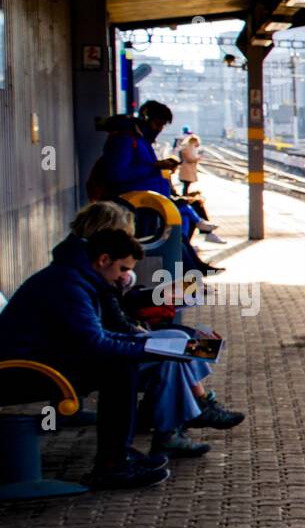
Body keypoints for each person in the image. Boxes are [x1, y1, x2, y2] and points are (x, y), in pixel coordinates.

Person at [69, 202, 244, 457]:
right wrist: (147, 341)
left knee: (184, 343)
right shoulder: (83, 274)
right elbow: (109, 325)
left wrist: (161, 298)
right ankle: (188, 414)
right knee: (175, 349)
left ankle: (190, 410)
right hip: (81, 358)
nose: (130, 241)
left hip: (105, 340)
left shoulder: (85, 265)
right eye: (125, 237)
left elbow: (117, 311)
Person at [0, 228, 166, 489]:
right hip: (19, 373)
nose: (125, 277)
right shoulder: (68, 285)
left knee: (121, 365)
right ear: (103, 260)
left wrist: (148, 343)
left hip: (37, 363)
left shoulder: (75, 278)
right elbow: (94, 344)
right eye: (122, 269)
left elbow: (96, 335)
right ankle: (112, 465)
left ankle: (117, 455)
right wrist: (152, 349)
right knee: (118, 370)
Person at [94, 101, 223, 274]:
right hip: (135, 208)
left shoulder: (139, 140)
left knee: (177, 237)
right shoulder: (125, 140)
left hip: (149, 205)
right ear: (144, 119)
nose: (159, 129)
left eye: (162, 125)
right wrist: (155, 167)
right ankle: (191, 279)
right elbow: (116, 175)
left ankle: (195, 274)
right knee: (172, 241)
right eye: (157, 124)